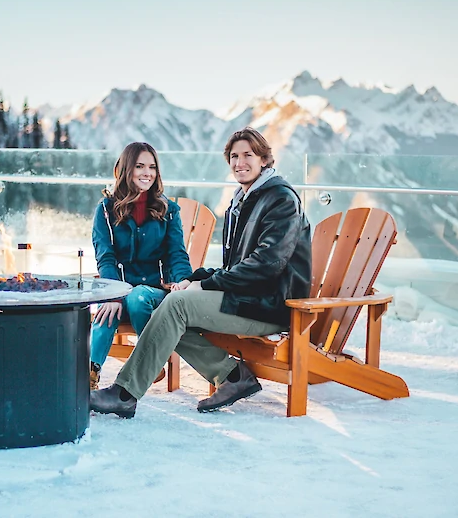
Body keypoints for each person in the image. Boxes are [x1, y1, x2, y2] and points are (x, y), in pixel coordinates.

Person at [89, 127, 312, 418]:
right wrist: (196, 279)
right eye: (234, 156)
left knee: (175, 306)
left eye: (248, 155)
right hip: (245, 298)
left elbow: (266, 265)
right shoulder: (243, 201)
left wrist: (205, 284)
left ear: (264, 160)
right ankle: (232, 377)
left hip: (268, 305)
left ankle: (125, 393)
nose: (239, 162)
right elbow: (236, 267)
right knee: (167, 306)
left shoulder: (280, 199)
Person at [89, 142, 194, 390]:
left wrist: (183, 281)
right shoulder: (105, 210)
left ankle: (151, 361)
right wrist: (112, 294)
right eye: (139, 166)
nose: (147, 173)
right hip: (121, 289)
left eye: (152, 167)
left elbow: (177, 254)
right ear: (126, 169)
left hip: (155, 292)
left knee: (137, 297)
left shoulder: (168, 211)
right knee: (106, 310)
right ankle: (89, 376)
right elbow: (106, 257)